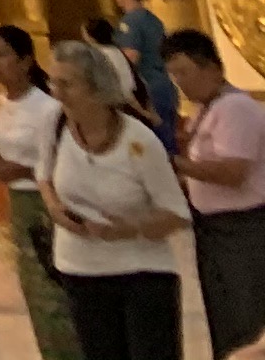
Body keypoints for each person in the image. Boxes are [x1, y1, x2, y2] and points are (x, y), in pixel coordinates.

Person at [42, 34, 190, 360]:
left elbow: (177, 212)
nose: (57, 92)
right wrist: (54, 208)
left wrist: (128, 228)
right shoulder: (53, 125)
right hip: (79, 270)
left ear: (96, 88)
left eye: (67, 84)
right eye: (53, 83)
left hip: (143, 273)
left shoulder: (139, 142)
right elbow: (44, 175)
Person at [0, 27, 85, 360]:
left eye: (2, 54)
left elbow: (62, 158)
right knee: (34, 292)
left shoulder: (48, 107)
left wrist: (21, 171)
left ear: (25, 60)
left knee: (56, 292)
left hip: (47, 201)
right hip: (16, 203)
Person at [170, 26, 265, 359]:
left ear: (210, 67)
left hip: (243, 228)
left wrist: (177, 165)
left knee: (245, 316)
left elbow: (233, 172)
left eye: (184, 71)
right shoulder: (206, 109)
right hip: (215, 229)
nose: (179, 81)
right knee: (223, 315)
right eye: (173, 74)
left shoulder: (235, 109)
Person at [109, 0, 179, 152]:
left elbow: (130, 57)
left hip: (147, 88)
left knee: (152, 145)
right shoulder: (153, 19)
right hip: (164, 85)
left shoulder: (130, 22)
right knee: (168, 140)